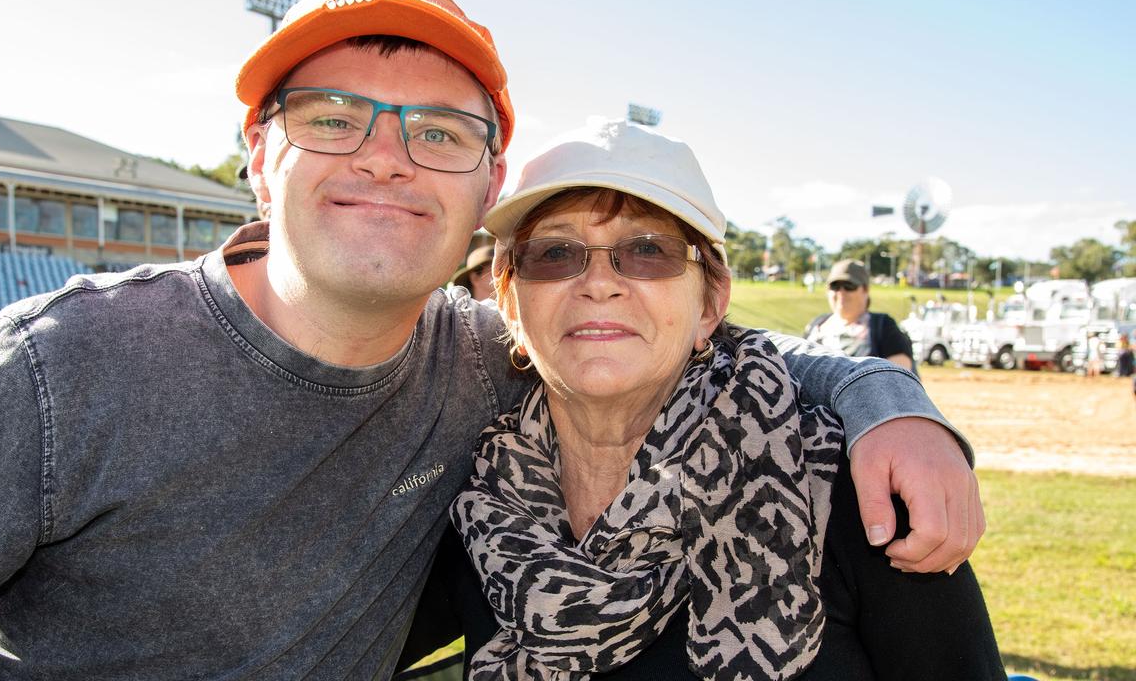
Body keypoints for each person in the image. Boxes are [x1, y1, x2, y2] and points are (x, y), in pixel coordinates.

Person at [0, 0, 980, 680]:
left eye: (437, 133)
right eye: (331, 117)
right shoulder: (61, 365)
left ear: (483, 177)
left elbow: (739, 359)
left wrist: (895, 405)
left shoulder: (479, 376)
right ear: (257, 153)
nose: (384, 154)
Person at [417, 119, 1002, 679]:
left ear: (709, 303)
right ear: (511, 306)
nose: (599, 282)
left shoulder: (853, 495)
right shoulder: (481, 507)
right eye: (555, 253)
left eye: (648, 250)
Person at [805, 259, 914, 370]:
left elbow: (899, 375)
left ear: (865, 289)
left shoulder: (882, 326)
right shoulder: (816, 324)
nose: (841, 292)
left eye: (849, 286)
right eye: (835, 286)